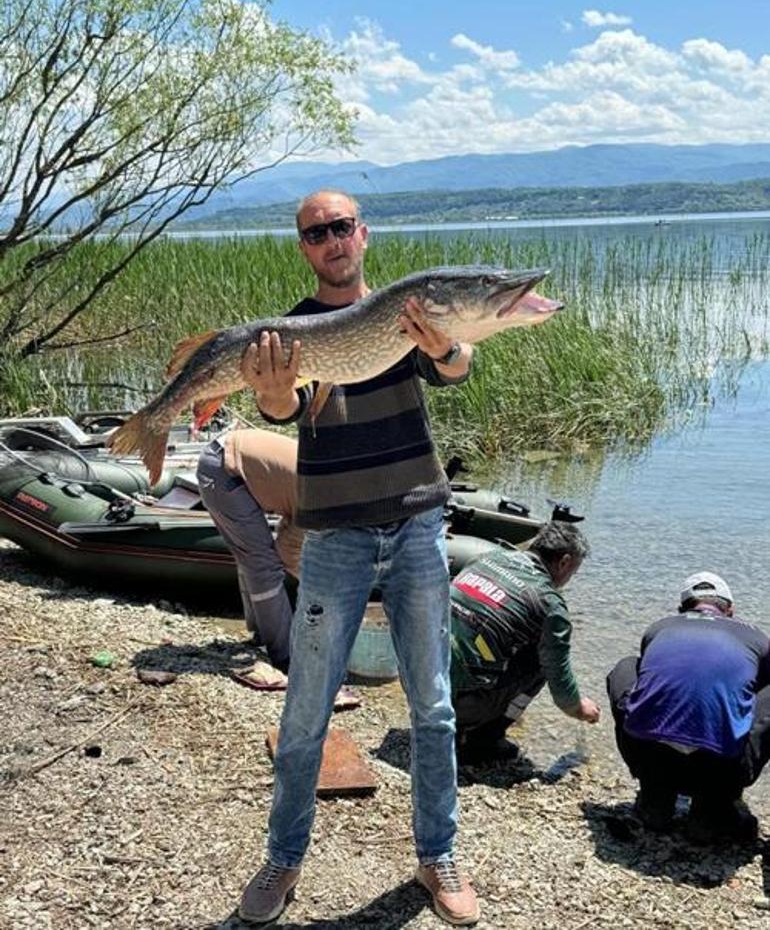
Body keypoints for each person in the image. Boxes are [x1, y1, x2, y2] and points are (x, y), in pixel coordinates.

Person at [237, 189, 481, 926]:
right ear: (305, 248)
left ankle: (437, 854)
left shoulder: (409, 309)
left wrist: (447, 348)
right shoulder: (293, 331)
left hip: (416, 527)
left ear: (364, 236)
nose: (332, 240)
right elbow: (281, 409)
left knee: (433, 705)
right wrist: (275, 395)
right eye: (317, 233)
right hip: (335, 539)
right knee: (306, 708)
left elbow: (457, 364)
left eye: (342, 227)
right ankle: (283, 860)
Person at [607, 572, 770, 842]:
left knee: (627, 666)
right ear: (730, 610)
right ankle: (713, 809)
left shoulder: (659, 627)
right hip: (721, 769)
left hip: (649, 758)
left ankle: (655, 799)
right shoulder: (756, 637)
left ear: (682, 609)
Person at [450, 521, 601, 765]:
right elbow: (560, 685)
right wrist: (580, 709)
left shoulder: (486, 559)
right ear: (564, 562)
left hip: (417, 681)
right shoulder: (549, 605)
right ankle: (483, 739)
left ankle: (458, 717)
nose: (570, 578)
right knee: (540, 662)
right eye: (574, 571)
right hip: (456, 701)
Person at [196, 427, 301, 673]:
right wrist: (319, 586)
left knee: (252, 556)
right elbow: (287, 553)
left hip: (226, 454)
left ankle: (261, 634)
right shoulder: (324, 506)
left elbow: (290, 525)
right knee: (263, 565)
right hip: (223, 469)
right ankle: (285, 657)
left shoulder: (332, 489)